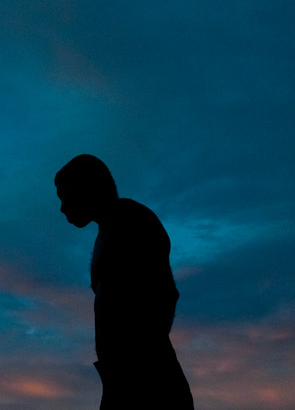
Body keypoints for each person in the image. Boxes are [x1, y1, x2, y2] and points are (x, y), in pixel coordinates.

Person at [55, 154, 193, 409]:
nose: (62, 207)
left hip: (147, 384)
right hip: (123, 380)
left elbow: (165, 294)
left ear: (87, 185)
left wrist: (137, 367)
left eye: (65, 194)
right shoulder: (108, 229)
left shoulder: (130, 219)